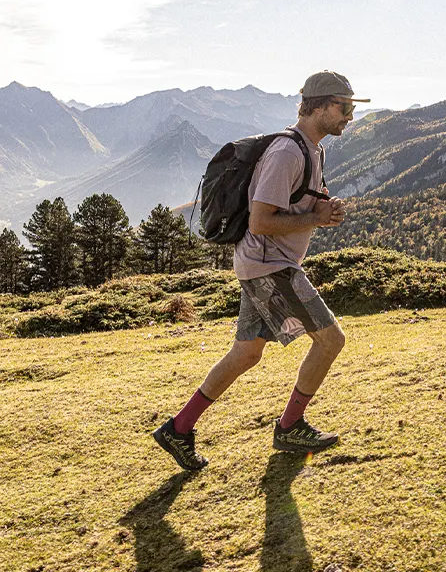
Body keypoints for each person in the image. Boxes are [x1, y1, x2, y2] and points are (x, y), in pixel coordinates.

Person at [154, 70, 369, 470]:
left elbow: (291, 208)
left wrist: (320, 210)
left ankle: (178, 429)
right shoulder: (288, 152)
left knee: (246, 353)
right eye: (344, 107)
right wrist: (316, 220)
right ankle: (290, 427)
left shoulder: (313, 150)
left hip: (262, 264)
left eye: (352, 108)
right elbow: (260, 221)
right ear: (318, 106)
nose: (350, 116)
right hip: (271, 266)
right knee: (330, 340)